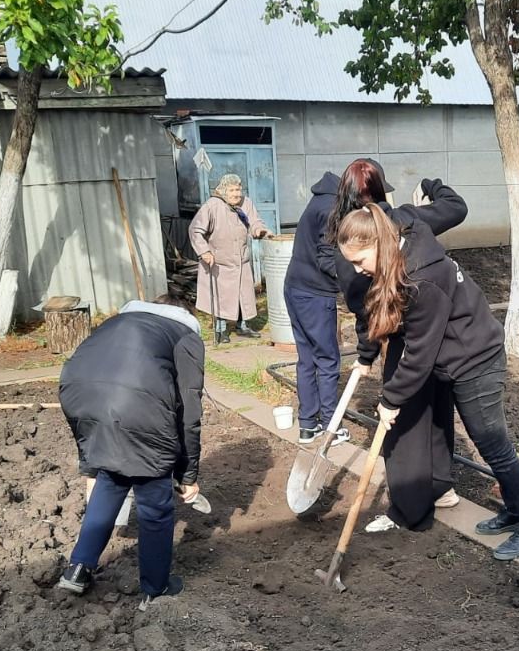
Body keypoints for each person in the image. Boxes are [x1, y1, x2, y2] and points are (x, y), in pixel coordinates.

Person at [336, 204, 519, 562]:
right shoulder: (406, 253)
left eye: (360, 261)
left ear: (381, 244)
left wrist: (390, 399)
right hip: (458, 357)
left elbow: (420, 353)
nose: (359, 271)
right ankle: (515, 511)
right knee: (490, 444)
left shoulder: (424, 279)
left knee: (493, 444)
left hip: (476, 360)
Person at [326, 159, 470, 532]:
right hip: (439, 331)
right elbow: (456, 207)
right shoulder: (406, 217)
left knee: (400, 421)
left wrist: (369, 355)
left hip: (409, 330)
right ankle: (440, 488)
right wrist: (431, 184)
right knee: (436, 409)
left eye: (361, 263)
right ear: (382, 191)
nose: (359, 268)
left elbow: (364, 308)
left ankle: (409, 509)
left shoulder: (350, 239)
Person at [56, 294, 206, 611]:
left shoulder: (117, 321)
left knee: (112, 477)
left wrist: (90, 460)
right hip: (137, 405)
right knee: (154, 496)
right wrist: (187, 474)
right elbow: (189, 411)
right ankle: (156, 587)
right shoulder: (185, 335)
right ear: (184, 313)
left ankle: (78, 568)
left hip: (78, 393)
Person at [284, 169, 350, 445]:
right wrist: (354, 276)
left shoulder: (317, 202)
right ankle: (331, 425)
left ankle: (308, 425)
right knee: (327, 359)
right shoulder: (331, 210)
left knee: (307, 359)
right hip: (314, 294)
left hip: (294, 288)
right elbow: (326, 260)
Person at [189, 173, 273, 343]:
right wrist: (204, 251)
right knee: (222, 297)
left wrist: (259, 230)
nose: (237, 194)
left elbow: (254, 222)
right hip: (220, 262)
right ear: (224, 191)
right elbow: (195, 230)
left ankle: (243, 326)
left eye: (238, 189)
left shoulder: (246, 203)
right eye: (232, 190)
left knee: (244, 295)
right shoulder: (212, 206)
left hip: (241, 261)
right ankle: (221, 330)